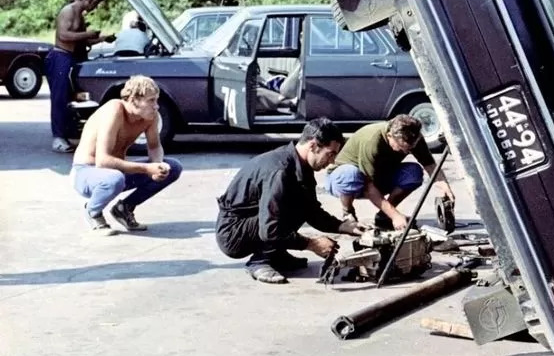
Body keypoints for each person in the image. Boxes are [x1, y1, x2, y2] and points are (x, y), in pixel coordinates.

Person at [215, 118, 363, 284]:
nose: (332, 162)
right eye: (330, 154)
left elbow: (311, 210)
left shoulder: (299, 165)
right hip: (233, 233)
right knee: (290, 206)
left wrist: (342, 226)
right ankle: (261, 260)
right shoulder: (280, 171)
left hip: (253, 222)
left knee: (298, 202)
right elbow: (270, 229)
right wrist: (312, 243)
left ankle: (275, 254)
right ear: (313, 146)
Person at [71, 75, 183, 235]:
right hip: (86, 173)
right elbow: (102, 161)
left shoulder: (149, 116)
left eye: (156, 100)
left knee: (172, 168)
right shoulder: (114, 110)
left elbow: (154, 146)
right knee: (114, 178)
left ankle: (124, 209)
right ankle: (93, 212)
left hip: (114, 173)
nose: (156, 106)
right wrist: (146, 169)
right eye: (151, 100)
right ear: (133, 99)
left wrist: (157, 165)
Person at [324, 114, 455, 231]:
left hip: (379, 175)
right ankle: (348, 213)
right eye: (402, 149)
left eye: (410, 149)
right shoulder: (372, 141)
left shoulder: (414, 138)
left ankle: (383, 217)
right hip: (343, 181)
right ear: (389, 136)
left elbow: (430, 165)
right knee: (351, 174)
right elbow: (368, 187)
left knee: (414, 172)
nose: (406, 152)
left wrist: (445, 188)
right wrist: (396, 215)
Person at [46, 0, 113, 152]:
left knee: (71, 98)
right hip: (61, 57)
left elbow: (80, 40)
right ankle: (58, 138)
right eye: (94, 4)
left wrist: (102, 39)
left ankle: (68, 132)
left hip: (72, 58)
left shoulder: (80, 15)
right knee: (59, 98)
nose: (94, 8)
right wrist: (88, 33)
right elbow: (64, 35)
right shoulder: (68, 11)